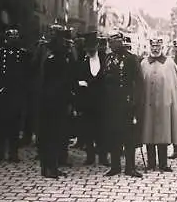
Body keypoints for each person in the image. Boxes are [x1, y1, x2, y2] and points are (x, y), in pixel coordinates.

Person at [140, 37, 177, 172]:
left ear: (161, 47)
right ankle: (150, 162)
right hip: (147, 104)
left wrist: (172, 101)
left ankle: (163, 163)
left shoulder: (169, 64)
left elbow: (176, 85)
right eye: (153, 46)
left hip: (164, 104)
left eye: (157, 46)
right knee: (148, 133)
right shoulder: (143, 63)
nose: (155, 49)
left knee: (163, 134)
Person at [102, 32, 144, 178]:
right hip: (112, 103)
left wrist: (135, 101)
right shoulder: (108, 58)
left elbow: (139, 82)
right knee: (113, 135)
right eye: (109, 43)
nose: (110, 46)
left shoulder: (131, 59)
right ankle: (115, 166)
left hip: (127, 103)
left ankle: (130, 167)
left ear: (119, 43)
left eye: (112, 43)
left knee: (129, 137)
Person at [37, 26, 77, 178]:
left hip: (49, 98)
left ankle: (49, 166)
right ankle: (50, 168)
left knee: (50, 134)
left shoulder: (51, 52)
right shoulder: (59, 55)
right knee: (52, 134)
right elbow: (66, 79)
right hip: (56, 100)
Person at [0, 27, 31, 163]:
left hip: (16, 94)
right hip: (2, 94)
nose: (13, 40)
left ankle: (13, 153)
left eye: (15, 38)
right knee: (0, 124)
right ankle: (0, 152)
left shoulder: (23, 54)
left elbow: (27, 74)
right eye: (10, 38)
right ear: (6, 39)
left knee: (15, 125)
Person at [75, 31, 109, 166]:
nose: (89, 52)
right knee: (88, 130)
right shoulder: (82, 60)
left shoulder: (105, 59)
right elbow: (76, 78)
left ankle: (103, 157)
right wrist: (81, 83)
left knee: (102, 130)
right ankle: (89, 156)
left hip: (102, 101)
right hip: (87, 101)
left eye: (92, 49)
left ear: (97, 47)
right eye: (87, 49)